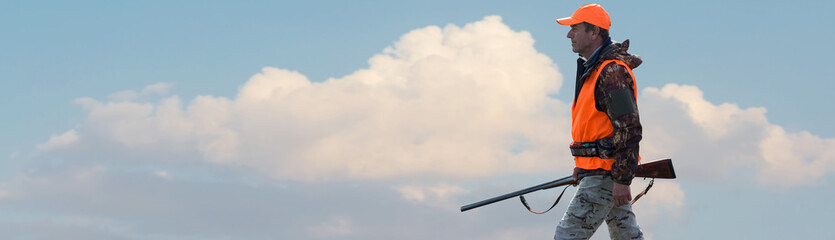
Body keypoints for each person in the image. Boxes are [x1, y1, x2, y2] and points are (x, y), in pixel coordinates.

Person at [554, 3, 644, 240]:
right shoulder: (594, 70)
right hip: (600, 171)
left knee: (567, 236)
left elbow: (628, 127)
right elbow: (595, 129)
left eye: (575, 28)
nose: (569, 34)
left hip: (606, 173)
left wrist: (622, 179)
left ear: (594, 33)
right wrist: (583, 164)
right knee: (626, 236)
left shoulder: (611, 72)